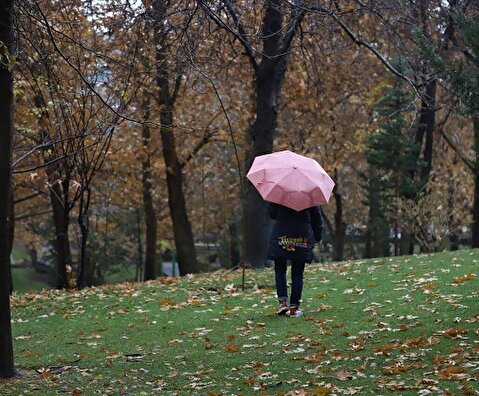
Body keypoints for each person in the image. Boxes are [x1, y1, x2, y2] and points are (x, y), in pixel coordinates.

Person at [268, 202, 323, 317]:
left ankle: (283, 303)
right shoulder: (309, 194)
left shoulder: (280, 193)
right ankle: (294, 307)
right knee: (297, 273)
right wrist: (318, 237)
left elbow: (272, 214)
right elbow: (316, 217)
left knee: (280, 270)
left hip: (281, 234)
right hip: (301, 236)